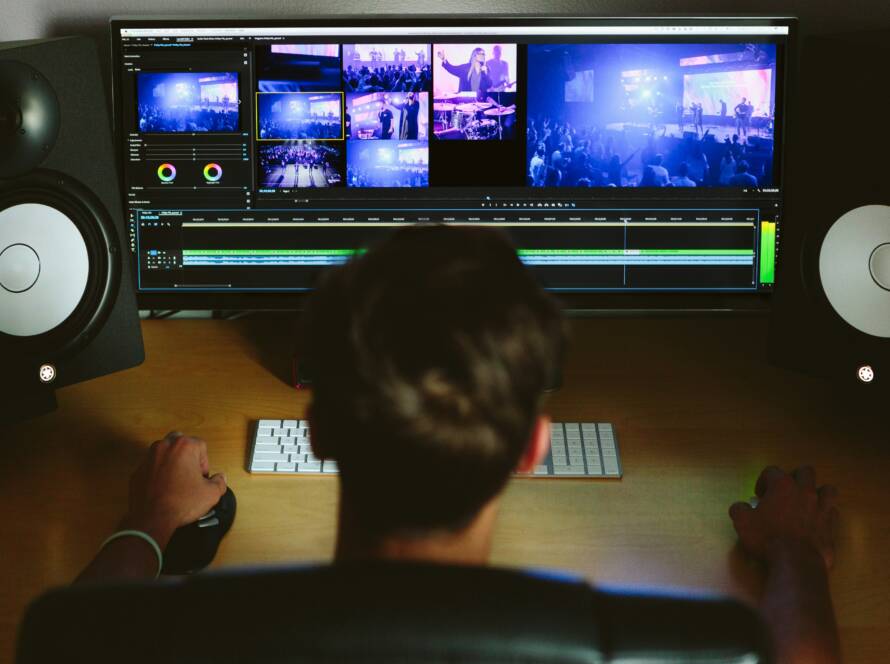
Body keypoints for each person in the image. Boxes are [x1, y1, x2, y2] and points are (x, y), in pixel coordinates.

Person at [74, 226, 841, 664]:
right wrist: (798, 554)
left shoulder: (169, 641)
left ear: (318, 430)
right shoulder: (688, 648)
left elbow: (78, 634)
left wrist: (146, 525)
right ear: (533, 447)